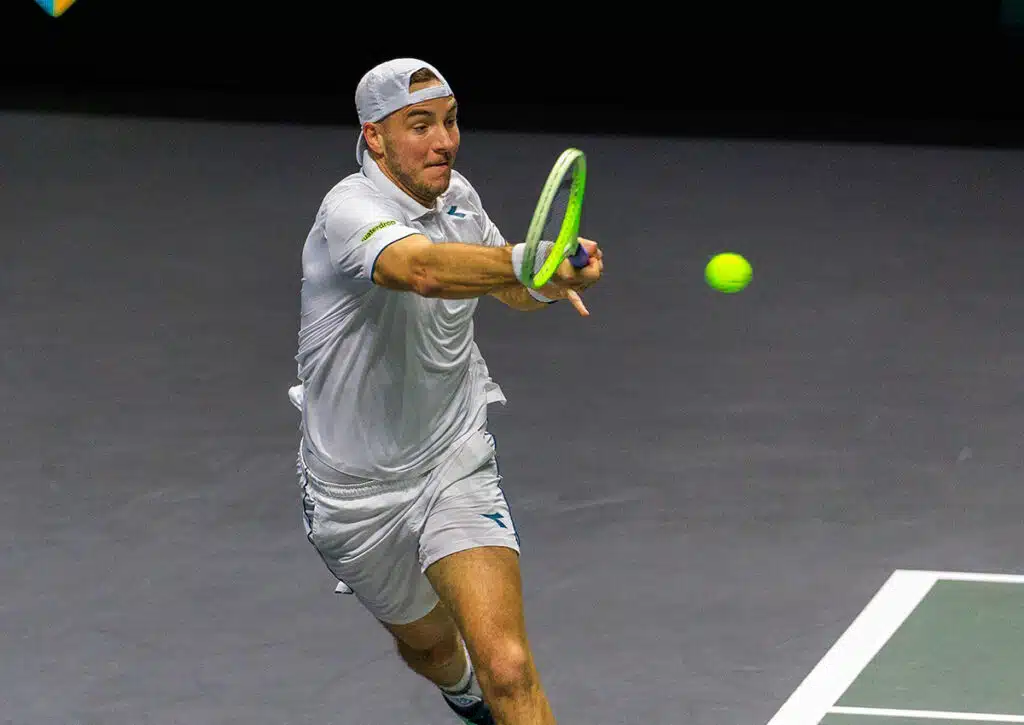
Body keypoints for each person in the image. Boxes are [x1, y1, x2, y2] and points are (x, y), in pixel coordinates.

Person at [288, 57, 603, 725]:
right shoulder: (349, 210)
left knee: (509, 665)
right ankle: (462, 694)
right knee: (431, 646)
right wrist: (525, 256)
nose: (443, 141)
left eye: (451, 122)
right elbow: (421, 269)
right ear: (375, 137)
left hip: (452, 459)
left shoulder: (458, 196)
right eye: (419, 125)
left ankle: (489, 695)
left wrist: (548, 276)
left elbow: (509, 287)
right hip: (354, 496)